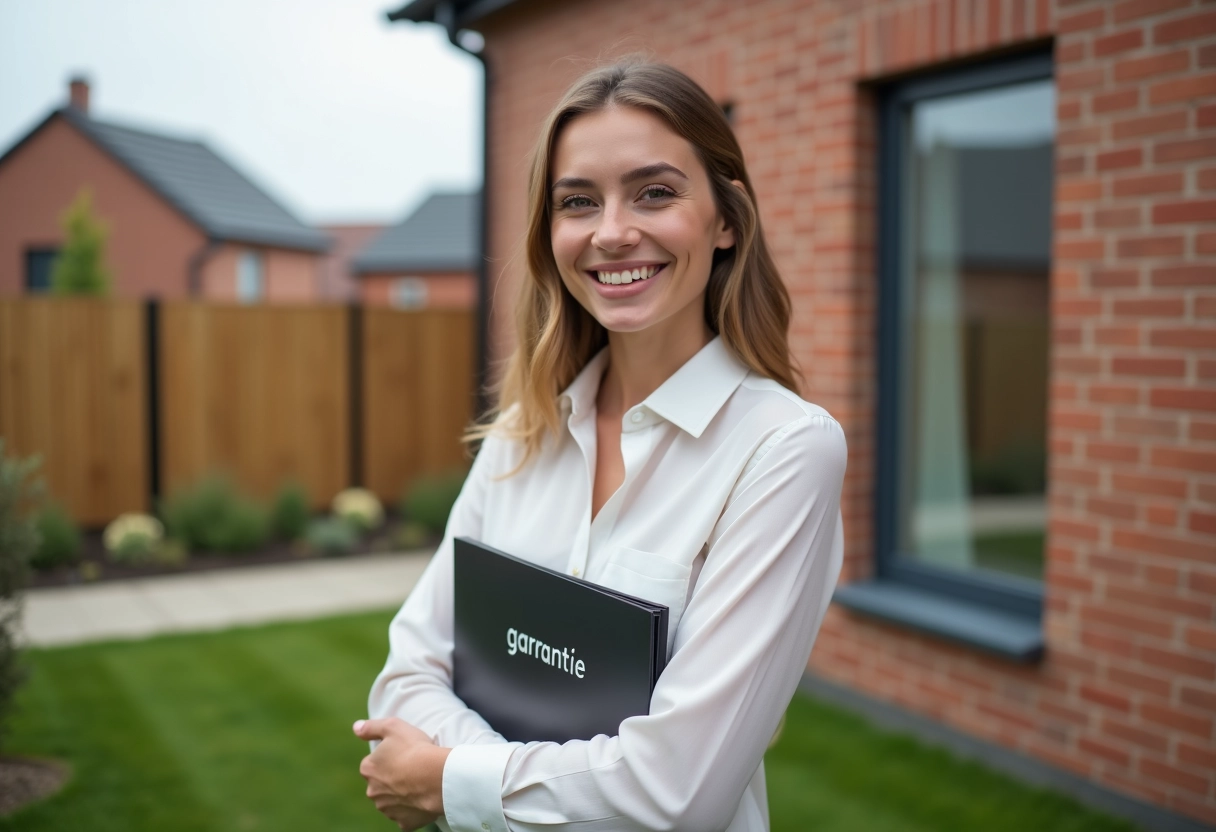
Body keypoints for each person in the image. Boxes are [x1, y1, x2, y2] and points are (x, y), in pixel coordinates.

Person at [353, 60, 847, 832]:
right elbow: (407, 674)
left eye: (655, 192)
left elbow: (675, 796)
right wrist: (524, 786)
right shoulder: (525, 432)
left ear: (726, 219)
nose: (612, 232)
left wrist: (451, 780)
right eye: (578, 202)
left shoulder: (784, 450)